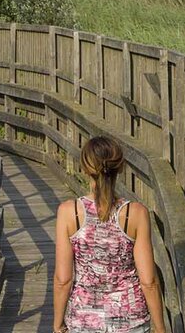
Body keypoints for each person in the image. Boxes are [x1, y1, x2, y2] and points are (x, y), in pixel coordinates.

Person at [52, 136, 166, 333]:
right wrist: (160, 328)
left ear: (85, 169)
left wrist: (57, 324)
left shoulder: (69, 212)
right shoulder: (136, 213)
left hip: (83, 321)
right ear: (119, 168)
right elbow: (149, 282)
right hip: (132, 322)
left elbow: (63, 279)